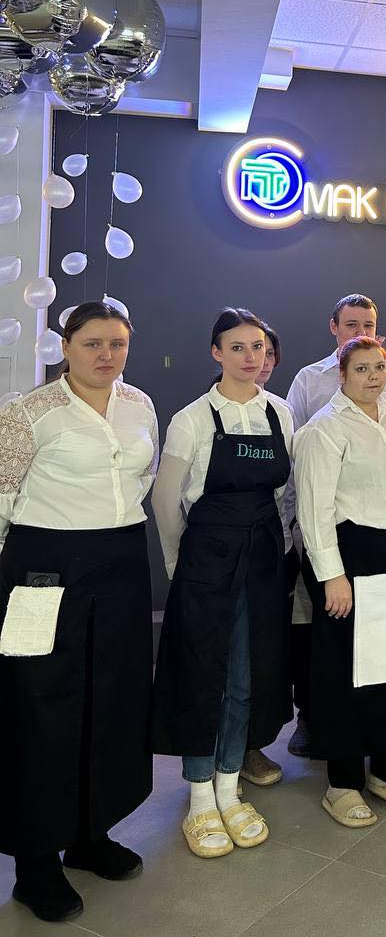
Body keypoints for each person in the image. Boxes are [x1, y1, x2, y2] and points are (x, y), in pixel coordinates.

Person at [0, 301, 158, 923]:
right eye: (93, 343)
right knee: (40, 710)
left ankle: (91, 835)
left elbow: (141, 480)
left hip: (120, 566)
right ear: (65, 347)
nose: (106, 355)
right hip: (42, 572)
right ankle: (35, 863)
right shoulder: (29, 413)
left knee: (112, 700)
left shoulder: (139, 404)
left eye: (117, 343)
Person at [152, 309, 294, 858]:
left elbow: (283, 495)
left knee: (245, 673)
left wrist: (279, 548)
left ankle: (230, 787)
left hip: (262, 558)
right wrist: (178, 562)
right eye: (237, 347)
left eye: (257, 347)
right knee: (200, 672)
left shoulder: (279, 412)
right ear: (216, 353)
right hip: (206, 559)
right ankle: (199, 796)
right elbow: (166, 500)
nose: (250, 357)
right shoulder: (192, 418)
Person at [294, 337, 386, 827]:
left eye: (379, 367)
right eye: (361, 369)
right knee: (347, 671)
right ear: (342, 374)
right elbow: (314, 510)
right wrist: (332, 576)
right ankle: (343, 782)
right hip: (352, 557)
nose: (373, 377)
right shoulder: (325, 429)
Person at [241, 323, 309, 785]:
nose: (258, 362)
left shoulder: (281, 411)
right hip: (223, 554)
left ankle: (253, 745)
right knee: (234, 654)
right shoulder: (201, 415)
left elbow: (291, 486)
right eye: (246, 350)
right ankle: (220, 751)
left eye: (266, 354)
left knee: (267, 654)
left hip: (277, 549)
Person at [286, 294, 386, 426]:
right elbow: (293, 432)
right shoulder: (307, 379)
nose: (361, 333)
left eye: (368, 325)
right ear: (334, 327)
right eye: (352, 325)